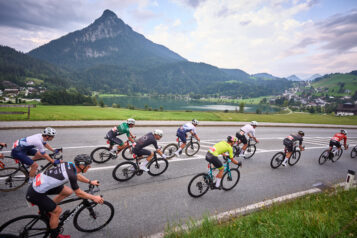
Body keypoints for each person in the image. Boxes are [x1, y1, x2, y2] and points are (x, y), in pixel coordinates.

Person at [26, 154, 103, 238]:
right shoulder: (71, 175)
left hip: (38, 185)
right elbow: (78, 193)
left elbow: (76, 175)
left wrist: (90, 182)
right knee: (57, 211)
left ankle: (46, 210)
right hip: (35, 193)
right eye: (88, 166)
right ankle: (54, 235)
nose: (90, 167)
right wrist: (94, 197)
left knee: (68, 191)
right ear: (81, 165)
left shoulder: (69, 164)